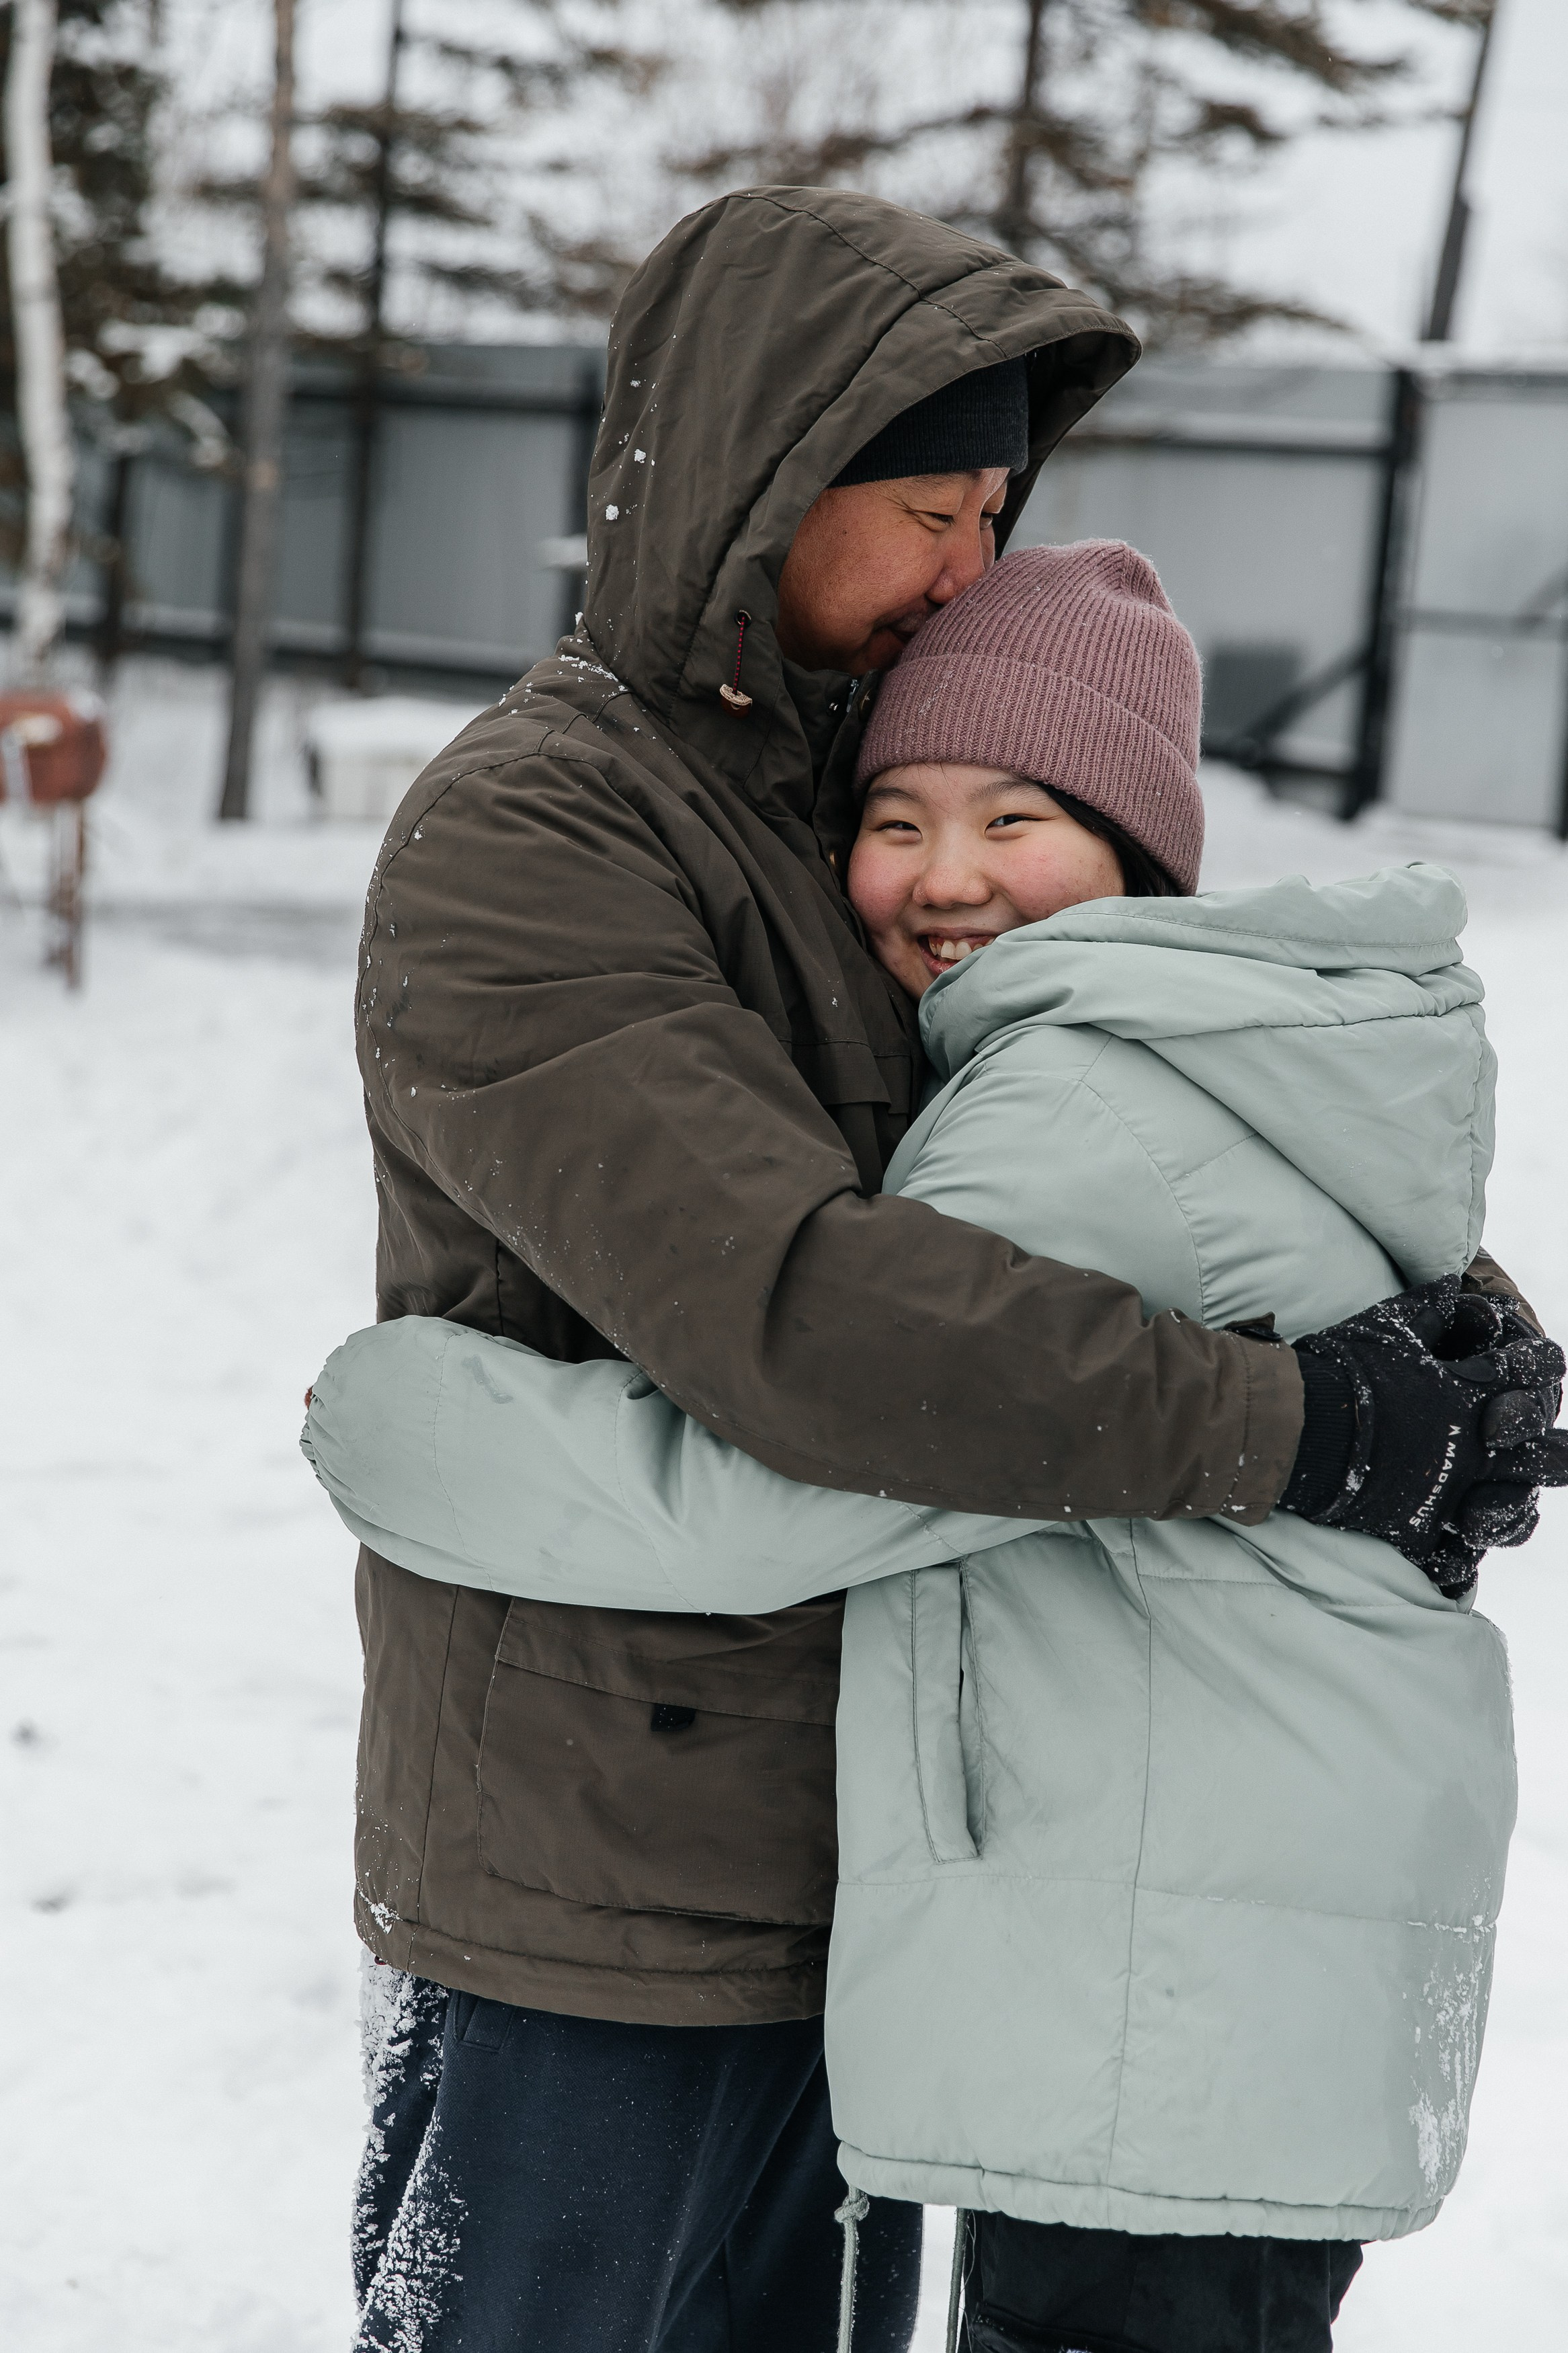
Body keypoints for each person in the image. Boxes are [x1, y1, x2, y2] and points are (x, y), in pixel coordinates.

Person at [324, 184, 1567, 2353]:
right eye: (930, 514)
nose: (967, 575)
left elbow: (1114, 1125)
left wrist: (1431, 1309)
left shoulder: (852, 792)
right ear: (767, 481)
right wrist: (1297, 1417)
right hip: (601, 1874)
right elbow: (810, 1313)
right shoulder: (541, 835)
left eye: (994, 516)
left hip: (872, 1850)